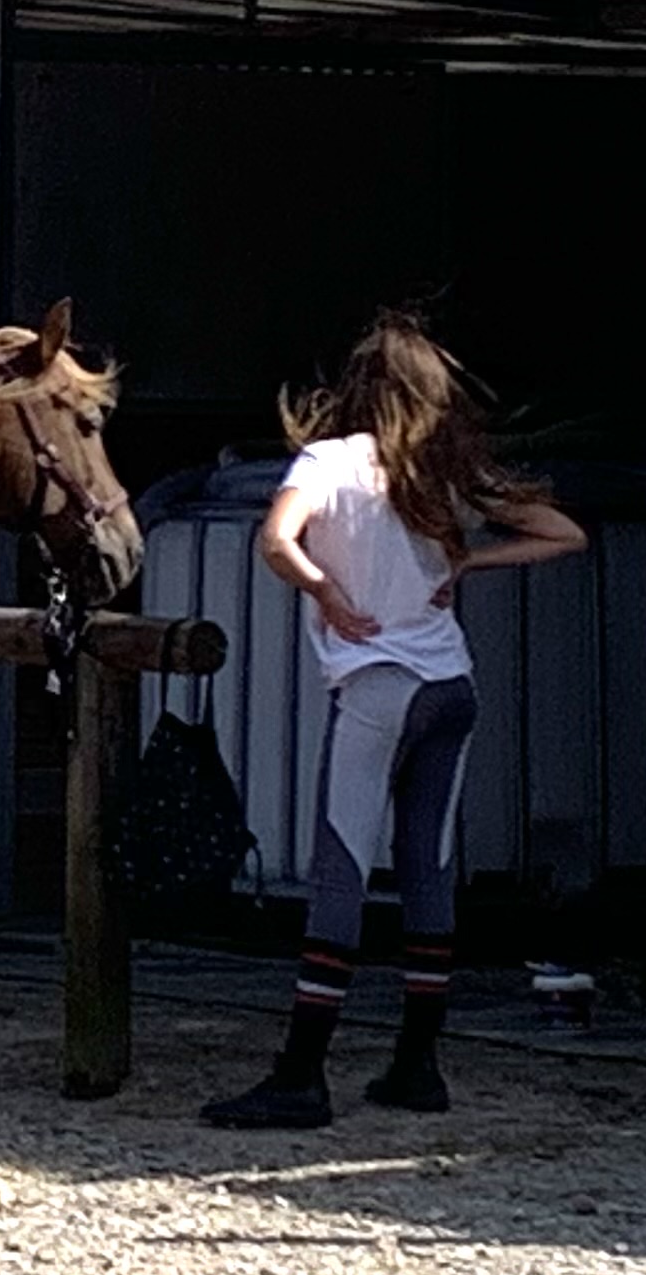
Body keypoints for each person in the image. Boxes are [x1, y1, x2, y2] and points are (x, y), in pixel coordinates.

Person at [205, 313, 585, 1129]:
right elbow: (564, 533)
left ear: (357, 388)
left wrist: (324, 590)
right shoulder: (444, 474)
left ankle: (302, 1074)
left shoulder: (331, 461)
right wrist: (472, 560)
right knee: (428, 868)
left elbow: (276, 539)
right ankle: (419, 1065)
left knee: (341, 869)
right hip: (453, 686)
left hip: (378, 687)